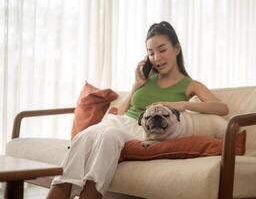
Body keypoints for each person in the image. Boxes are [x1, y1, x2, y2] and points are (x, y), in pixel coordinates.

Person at [47, 21, 229, 199]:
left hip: (141, 129)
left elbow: (222, 108)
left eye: (162, 50)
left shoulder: (189, 84)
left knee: (107, 137)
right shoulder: (146, 80)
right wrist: (136, 85)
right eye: (151, 53)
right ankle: (60, 189)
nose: (156, 58)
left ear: (177, 49)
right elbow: (120, 113)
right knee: (84, 137)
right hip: (117, 122)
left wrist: (183, 105)